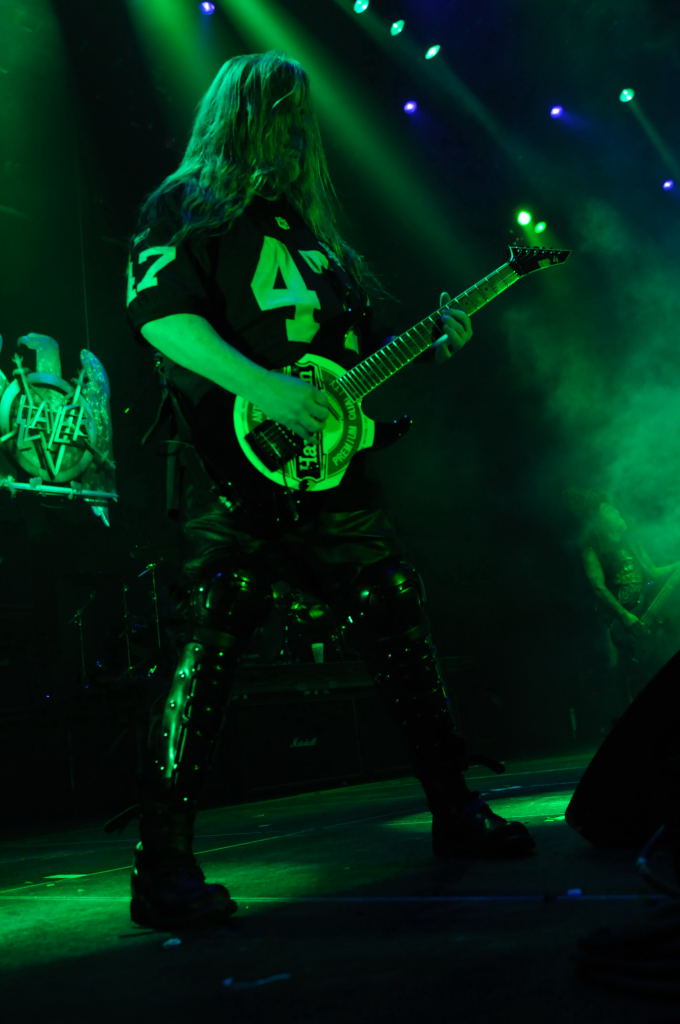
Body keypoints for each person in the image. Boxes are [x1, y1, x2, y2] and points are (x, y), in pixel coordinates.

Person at [123, 51, 534, 929]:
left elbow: (347, 369)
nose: (294, 126)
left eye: (299, 112)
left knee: (396, 612)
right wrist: (262, 388)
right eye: (279, 109)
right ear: (240, 112)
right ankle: (162, 867)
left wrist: (434, 342)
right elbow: (159, 317)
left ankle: (455, 809)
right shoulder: (185, 203)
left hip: (331, 476)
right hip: (230, 468)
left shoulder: (317, 240)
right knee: (212, 639)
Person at [568, 488, 680, 707]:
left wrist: (678, 564)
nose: (617, 512)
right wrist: (623, 615)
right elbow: (598, 587)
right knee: (623, 671)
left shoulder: (632, 541)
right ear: (600, 520)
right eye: (609, 511)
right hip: (616, 621)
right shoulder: (593, 546)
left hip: (643, 614)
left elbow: (653, 572)